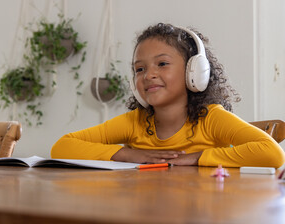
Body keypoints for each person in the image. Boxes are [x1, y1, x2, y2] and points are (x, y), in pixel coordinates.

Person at [51, 23, 285, 168]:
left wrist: (197, 158)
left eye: (162, 64)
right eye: (139, 69)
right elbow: (62, 147)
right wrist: (129, 154)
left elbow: (273, 154)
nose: (148, 75)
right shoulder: (135, 122)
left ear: (194, 72)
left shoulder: (212, 119)